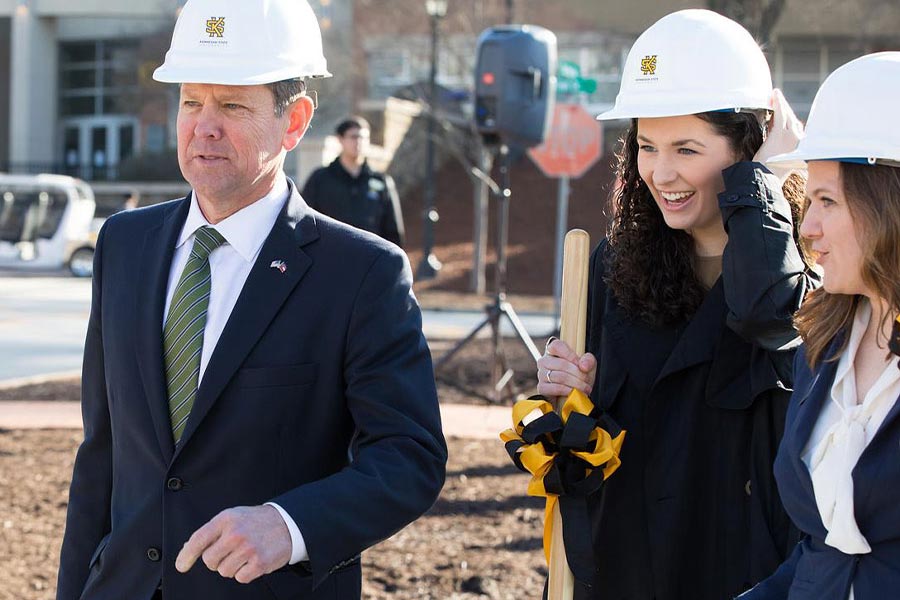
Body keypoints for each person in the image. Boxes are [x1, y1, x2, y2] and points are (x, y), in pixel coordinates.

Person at [56, 1, 446, 599]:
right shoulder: (123, 244)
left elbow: (408, 456)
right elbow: (101, 458)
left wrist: (289, 527)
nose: (203, 126)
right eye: (191, 101)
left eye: (233, 105)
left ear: (295, 122)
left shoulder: (362, 273)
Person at [532, 10, 819, 599]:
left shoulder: (816, 260)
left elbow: (768, 312)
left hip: (746, 570)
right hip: (627, 566)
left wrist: (759, 186)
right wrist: (568, 397)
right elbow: (589, 453)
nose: (661, 174)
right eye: (646, 146)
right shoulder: (614, 263)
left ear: (752, 143)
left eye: (687, 148)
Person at [739, 52, 900, 600]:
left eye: (826, 201)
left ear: (889, 209)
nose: (806, 227)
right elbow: (821, 559)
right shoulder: (823, 345)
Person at [302, 117, 405, 246]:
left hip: (371, 258)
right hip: (331, 256)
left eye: (363, 138)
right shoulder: (320, 179)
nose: (359, 142)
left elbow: (393, 230)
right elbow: (304, 220)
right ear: (340, 139)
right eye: (354, 137)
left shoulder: (381, 181)